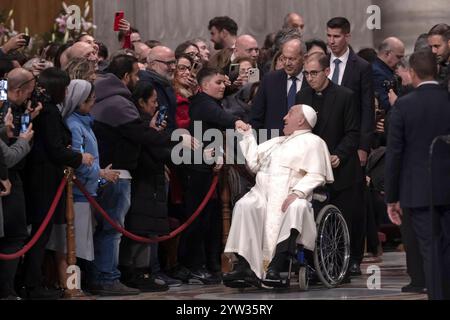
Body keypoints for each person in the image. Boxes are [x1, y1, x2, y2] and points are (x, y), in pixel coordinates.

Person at [223, 104, 333, 283]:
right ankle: (245, 266)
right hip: (262, 194)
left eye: (290, 113)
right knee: (245, 205)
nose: (284, 117)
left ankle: (276, 265)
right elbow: (253, 163)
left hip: (291, 194)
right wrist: (248, 135)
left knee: (296, 207)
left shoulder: (314, 142)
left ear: (301, 120)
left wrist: (297, 192)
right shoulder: (277, 142)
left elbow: (317, 174)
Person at [21, 68, 94, 299]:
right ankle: (32, 284)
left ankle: (33, 281)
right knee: (40, 234)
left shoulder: (47, 110)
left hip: (43, 177)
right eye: (64, 88)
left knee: (41, 233)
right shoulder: (49, 112)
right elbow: (54, 149)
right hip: (44, 179)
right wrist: (79, 157)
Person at [385, 49, 450, 300]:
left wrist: (391, 197)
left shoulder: (404, 105)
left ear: (412, 73)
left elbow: (395, 154)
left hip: (418, 190)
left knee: (430, 249)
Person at [45, 80, 120, 292]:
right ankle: (71, 288)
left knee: (76, 247)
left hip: (86, 191)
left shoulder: (84, 122)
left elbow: (89, 158)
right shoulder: (73, 124)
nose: (94, 102)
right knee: (69, 248)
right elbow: (78, 161)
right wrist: (100, 172)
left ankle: (73, 287)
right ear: (79, 101)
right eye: (91, 99)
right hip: (76, 193)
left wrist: (98, 173)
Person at [296, 52, 362, 278]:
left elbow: (353, 132)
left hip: (341, 167)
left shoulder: (346, 96)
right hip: (313, 170)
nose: (309, 78)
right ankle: (317, 265)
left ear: (327, 71)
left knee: (345, 217)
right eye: (306, 73)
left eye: (314, 73)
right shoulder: (302, 96)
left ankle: (346, 263)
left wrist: (339, 155)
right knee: (315, 219)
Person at [250, 37, 308, 137]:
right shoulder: (269, 80)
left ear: (304, 58)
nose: (287, 63)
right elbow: (256, 117)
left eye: (292, 59)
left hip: (303, 145)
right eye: (284, 58)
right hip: (272, 143)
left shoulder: (311, 81)